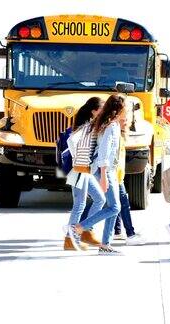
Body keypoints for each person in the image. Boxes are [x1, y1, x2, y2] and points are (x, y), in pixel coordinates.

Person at [66, 94, 126, 255]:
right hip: (101, 170)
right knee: (113, 207)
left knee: (110, 205)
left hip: (104, 170)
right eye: (124, 109)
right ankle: (79, 228)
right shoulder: (110, 126)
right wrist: (104, 174)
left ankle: (105, 244)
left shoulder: (104, 124)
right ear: (119, 110)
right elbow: (105, 151)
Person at [62, 97, 105, 251]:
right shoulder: (86, 126)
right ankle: (69, 239)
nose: (104, 112)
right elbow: (71, 141)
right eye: (102, 109)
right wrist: (79, 159)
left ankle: (86, 230)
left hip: (85, 170)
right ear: (94, 111)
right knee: (79, 204)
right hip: (79, 169)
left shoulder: (92, 126)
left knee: (99, 199)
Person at [112, 110, 146, 246]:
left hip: (118, 175)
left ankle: (117, 230)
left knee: (115, 205)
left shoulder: (120, 134)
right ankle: (130, 234)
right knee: (123, 204)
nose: (126, 121)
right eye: (123, 118)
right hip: (113, 176)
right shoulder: (113, 134)